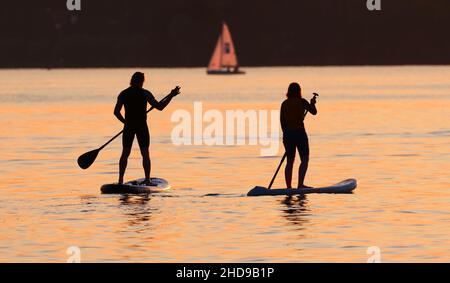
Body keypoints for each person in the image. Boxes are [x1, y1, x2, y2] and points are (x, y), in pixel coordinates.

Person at [114, 72, 180, 185]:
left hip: (129, 127)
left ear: (132, 80)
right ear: (141, 81)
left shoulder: (124, 94)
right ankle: (147, 179)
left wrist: (126, 123)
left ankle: (120, 180)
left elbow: (116, 112)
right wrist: (171, 96)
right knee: (145, 154)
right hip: (141, 127)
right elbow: (160, 107)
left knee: (125, 153)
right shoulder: (145, 93)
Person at [280, 82, 317, 189]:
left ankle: (289, 187)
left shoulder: (284, 104)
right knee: (304, 159)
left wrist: (286, 136)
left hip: (288, 135)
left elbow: (282, 122)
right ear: (299, 91)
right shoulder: (302, 101)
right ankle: (300, 184)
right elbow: (314, 112)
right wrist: (312, 103)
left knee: (290, 161)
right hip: (300, 133)